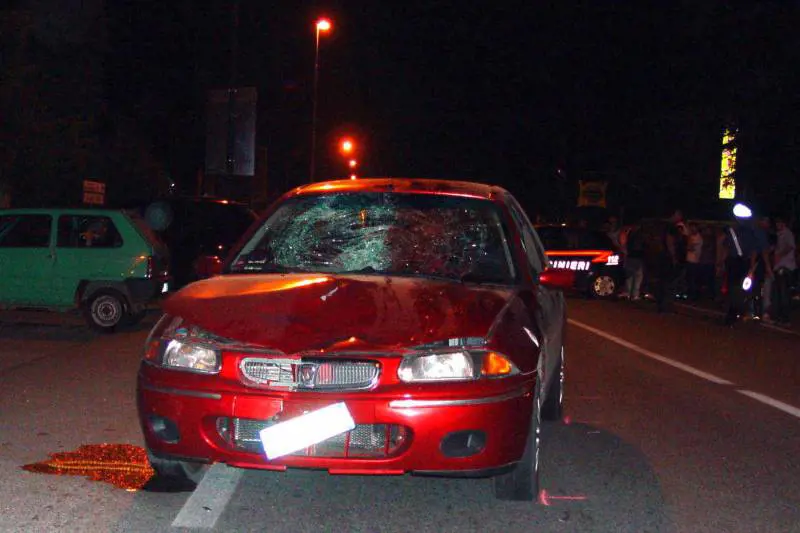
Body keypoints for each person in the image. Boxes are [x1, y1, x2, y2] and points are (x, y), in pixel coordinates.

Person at [723, 212, 762, 326]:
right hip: (743, 262)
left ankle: (732, 314)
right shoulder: (751, 233)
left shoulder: (732, 232)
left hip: (733, 262)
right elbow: (754, 251)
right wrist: (751, 267)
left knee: (733, 288)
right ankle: (735, 313)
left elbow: (726, 247)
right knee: (740, 289)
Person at [655, 210, 684, 313]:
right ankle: (665, 305)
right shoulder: (671, 227)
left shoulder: (662, 227)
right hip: (667, 257)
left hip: (662, 256)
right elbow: (669, 241)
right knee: (669, 282)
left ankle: (661, 303)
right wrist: (673, 256)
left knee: (662, 281)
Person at [772, 216, 796, 326]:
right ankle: (780, 316)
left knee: (783, 293)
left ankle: (786, 318)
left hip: (785, 266)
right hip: (779, 266)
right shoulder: (779, 234)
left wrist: (779, 255)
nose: (777, 225)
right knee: (779, 292)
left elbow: (790, 247)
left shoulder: (787, 233)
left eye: (778, 223)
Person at [623, 220, 646, 300]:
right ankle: (634, 294)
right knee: (636, 276)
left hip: (632, 256)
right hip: (636, 256)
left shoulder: (630, 233)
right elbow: (640, 246)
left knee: (631, 276)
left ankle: (629, 293)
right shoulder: (638, 235)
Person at [684, 222, 704, 300]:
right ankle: (690, 294)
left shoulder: (698, 238)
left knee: (692, 279)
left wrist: (688, 239)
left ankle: (694, 295)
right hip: (689, 260)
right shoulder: (692, 236)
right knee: (689, 278)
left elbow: (690, 248)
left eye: (693, 228)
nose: (692, 229)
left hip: (694, 261)